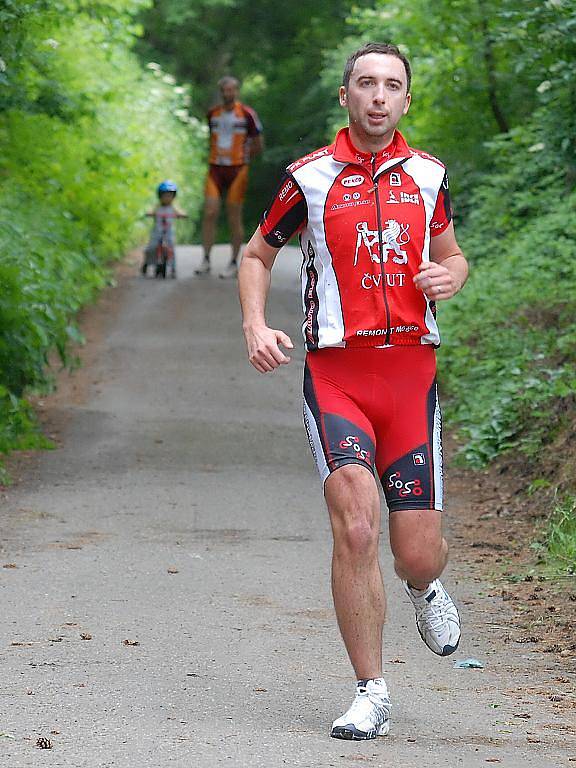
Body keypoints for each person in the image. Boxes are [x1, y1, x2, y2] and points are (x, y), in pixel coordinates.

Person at [238, 42, 469, 740]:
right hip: (337, 375)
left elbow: (452, 255)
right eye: (365, 83)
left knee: (416, 550)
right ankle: (371, 690)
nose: (377, 95)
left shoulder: (430, 176)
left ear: (405, 100)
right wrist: (255, 323)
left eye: (391, 85)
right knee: (357, 523)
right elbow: (257, 253)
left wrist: (453, 275)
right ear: (346, 96)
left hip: (411, 380)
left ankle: (425, 586)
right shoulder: (307, 178)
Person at [195, 76, 263, 280]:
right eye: (225, 90)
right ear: (221, 92)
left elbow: (258, 143)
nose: (228, 94)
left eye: (232, 90)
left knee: (234, 216)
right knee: (210, 212)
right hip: (215, 168)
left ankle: (234, 262)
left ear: (237, 91)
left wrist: (244, 158)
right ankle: (206, 259)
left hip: (238, 169)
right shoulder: (212, 114)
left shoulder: (247, 114)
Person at [142, 180, 187, 278]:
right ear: (160, 196)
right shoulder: (157, 206)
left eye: (170, 196)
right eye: (165, 195)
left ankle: (173, 268)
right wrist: (150, 213)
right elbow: (151, 211)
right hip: (157, 231)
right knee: (151, 247)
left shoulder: (173, 207)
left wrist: (181, 214)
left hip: (168, 231)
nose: (167, 198)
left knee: (171, 247)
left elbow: (180, 212)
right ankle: (147, 262)